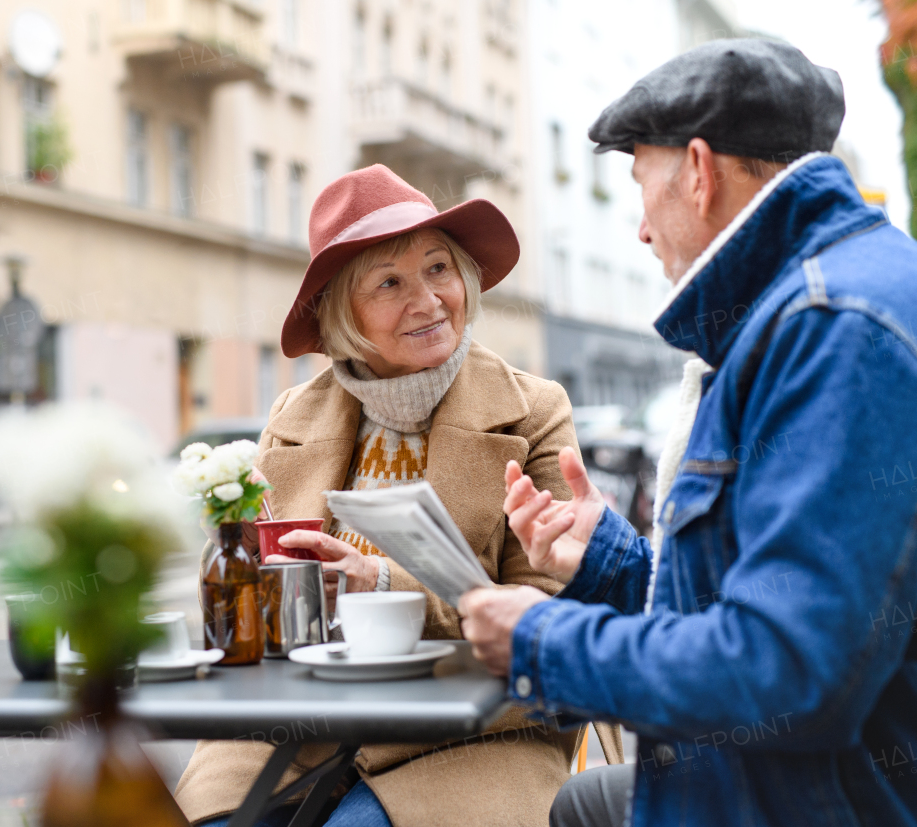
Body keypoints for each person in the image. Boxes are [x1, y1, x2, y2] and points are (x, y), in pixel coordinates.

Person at [458, 38, 917, 827]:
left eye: (642, 185)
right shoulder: (826, 301)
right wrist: (607, 560)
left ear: (698, 172)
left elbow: (792, 673)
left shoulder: (839, 333)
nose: (638, 229)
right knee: (583, 805)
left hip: (878, 800)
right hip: (839, 784)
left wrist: (544, 640)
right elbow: (777, 603)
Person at [175, 164, 619, 827]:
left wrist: (377, 580)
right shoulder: (290, 416)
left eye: (439, 268)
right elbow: (253, 601)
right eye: (390, 282)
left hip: (472, 737)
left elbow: (550, 619)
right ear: (343, 313)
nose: (430, 299)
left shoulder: (533, 408)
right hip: (300, 731)